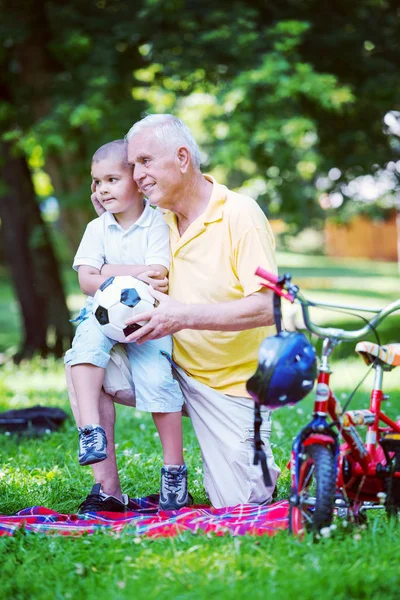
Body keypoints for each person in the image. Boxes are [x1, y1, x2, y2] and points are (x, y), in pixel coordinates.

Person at [67, 114, 280, 512]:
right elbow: (107, 250)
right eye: (132, 166)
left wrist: (182, 316)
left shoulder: (239, 215)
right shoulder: (153, 216)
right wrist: (107, 202)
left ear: (182, 157)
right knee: (84, 357)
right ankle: (107, 490)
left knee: (242, 501)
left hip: (228, 386)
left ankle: (245, 461)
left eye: (145, 161)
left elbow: (269, 305)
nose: (137, 174)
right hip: (161, 360)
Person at [64, 139, 189, 511]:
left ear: (136, 180)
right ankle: (91, 431)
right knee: (83, 351)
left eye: (112, 179)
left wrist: (105, 272)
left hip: (146, 320)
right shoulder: (96, 228)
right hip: (99, 316)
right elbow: (87, 282)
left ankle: (174, 471)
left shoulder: (156, 224)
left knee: (158, 381)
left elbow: (158, 274)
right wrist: (129, 273)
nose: (102, 189)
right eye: (97, 182)